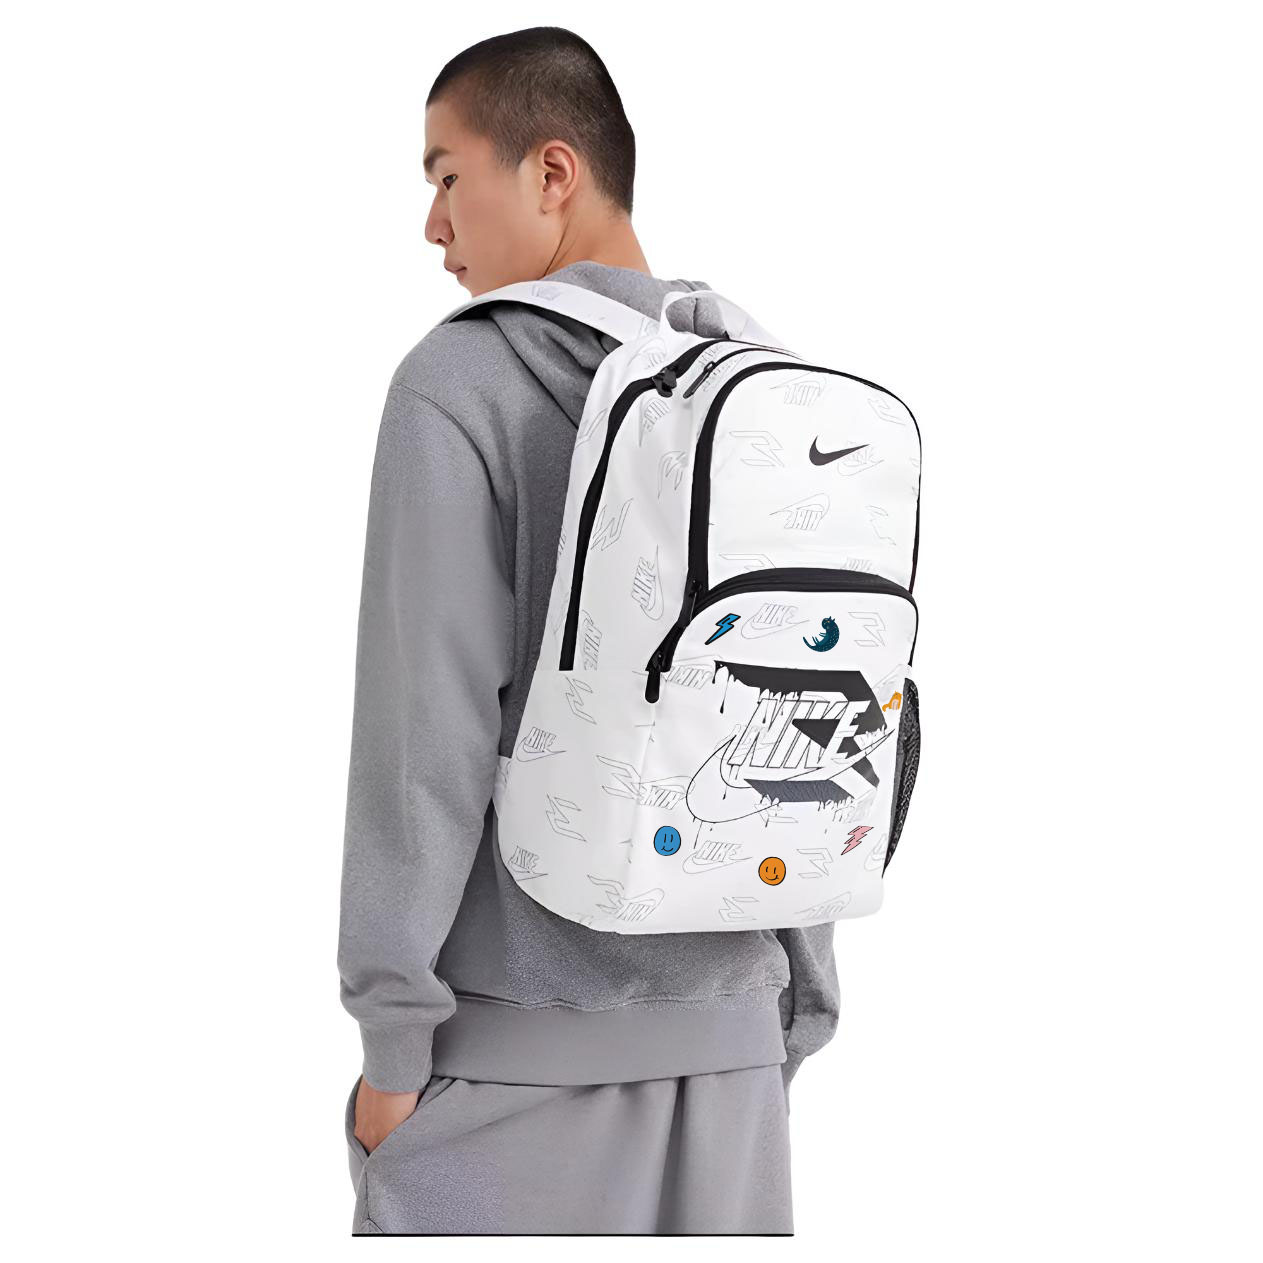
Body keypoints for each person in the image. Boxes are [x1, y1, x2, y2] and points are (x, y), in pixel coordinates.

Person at [337, 25, 840, 1235]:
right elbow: (801, 705)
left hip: (513, 1056)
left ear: (551, 172)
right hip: (737, 1050)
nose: (433, 226)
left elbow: (424, 742)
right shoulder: (760, 378)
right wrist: (799, 1002)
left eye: (447, 176)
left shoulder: (461, 384)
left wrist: (394, 1043)